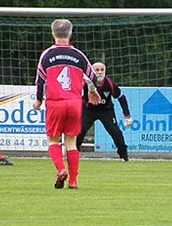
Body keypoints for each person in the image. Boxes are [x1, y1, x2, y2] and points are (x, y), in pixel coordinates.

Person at [33, 19, 101, 189]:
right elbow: (93, 77)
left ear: (52, 34)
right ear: (70, 34)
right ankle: (73, 181)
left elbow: (40, 81)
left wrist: (38, 100)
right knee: (71, 142)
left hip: (55, 102)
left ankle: (61, 169)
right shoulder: (79, 55)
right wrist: (91, 91)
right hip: (74, 102)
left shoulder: (47, 55)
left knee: (53, 140)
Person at [76, 62, 133, 162]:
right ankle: (74, 155)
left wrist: (127, 115)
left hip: (106, 111)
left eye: (102, 70)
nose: (100, 72)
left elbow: (121, 97)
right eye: (97, 70)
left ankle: (124, 156)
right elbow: (75, 96)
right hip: (88, 110)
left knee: (116, 132)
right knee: (80, 131)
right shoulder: (85, 83)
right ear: (92, 71)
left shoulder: (109, 84)